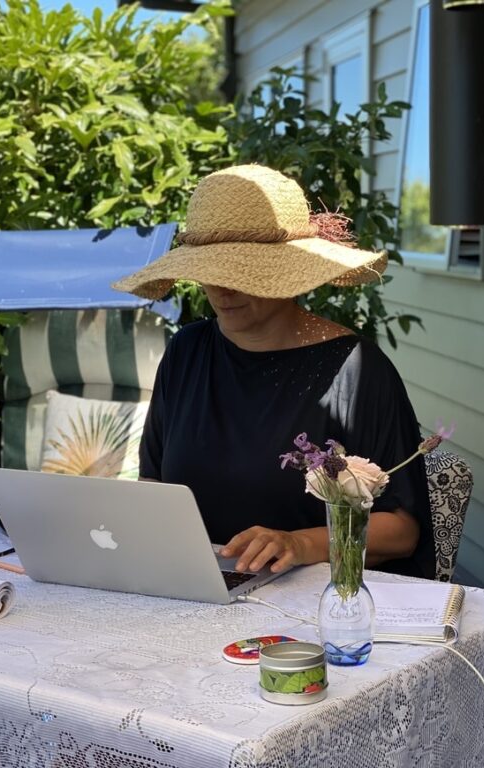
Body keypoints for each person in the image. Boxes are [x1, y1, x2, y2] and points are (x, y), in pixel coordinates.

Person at [113, 164, 434, 580]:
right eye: (209, 272)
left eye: (241, 273)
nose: (221, 290)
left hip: (311, 601)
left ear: (288, 277)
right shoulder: (186, 351)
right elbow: (153, 484)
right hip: (194, 588)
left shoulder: (356, 369)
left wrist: (298, 544)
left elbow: (402, 531)